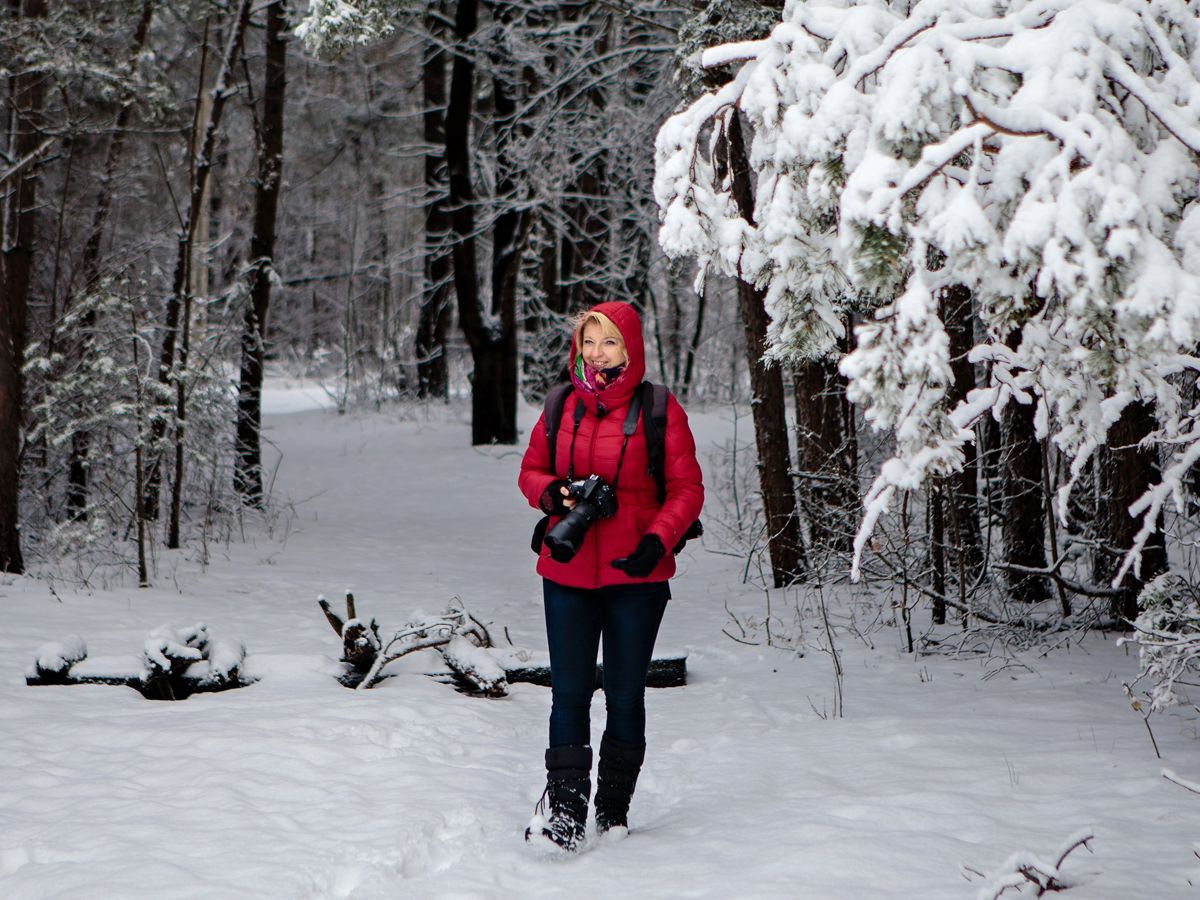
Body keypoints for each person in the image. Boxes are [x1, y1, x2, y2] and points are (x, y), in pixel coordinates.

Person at [517, 301, 704, 851]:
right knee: (568, 694)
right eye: (589, 342)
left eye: (610, 343)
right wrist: (553, 493)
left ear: (631, 348)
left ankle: (613, 809)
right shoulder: (560, 406)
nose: (597, 354)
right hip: (567, 570)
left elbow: (688, 490)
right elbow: (530, 471)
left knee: (624, 694)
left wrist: (656, 541)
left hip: (635, 578)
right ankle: (567, 815)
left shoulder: (659, 409)